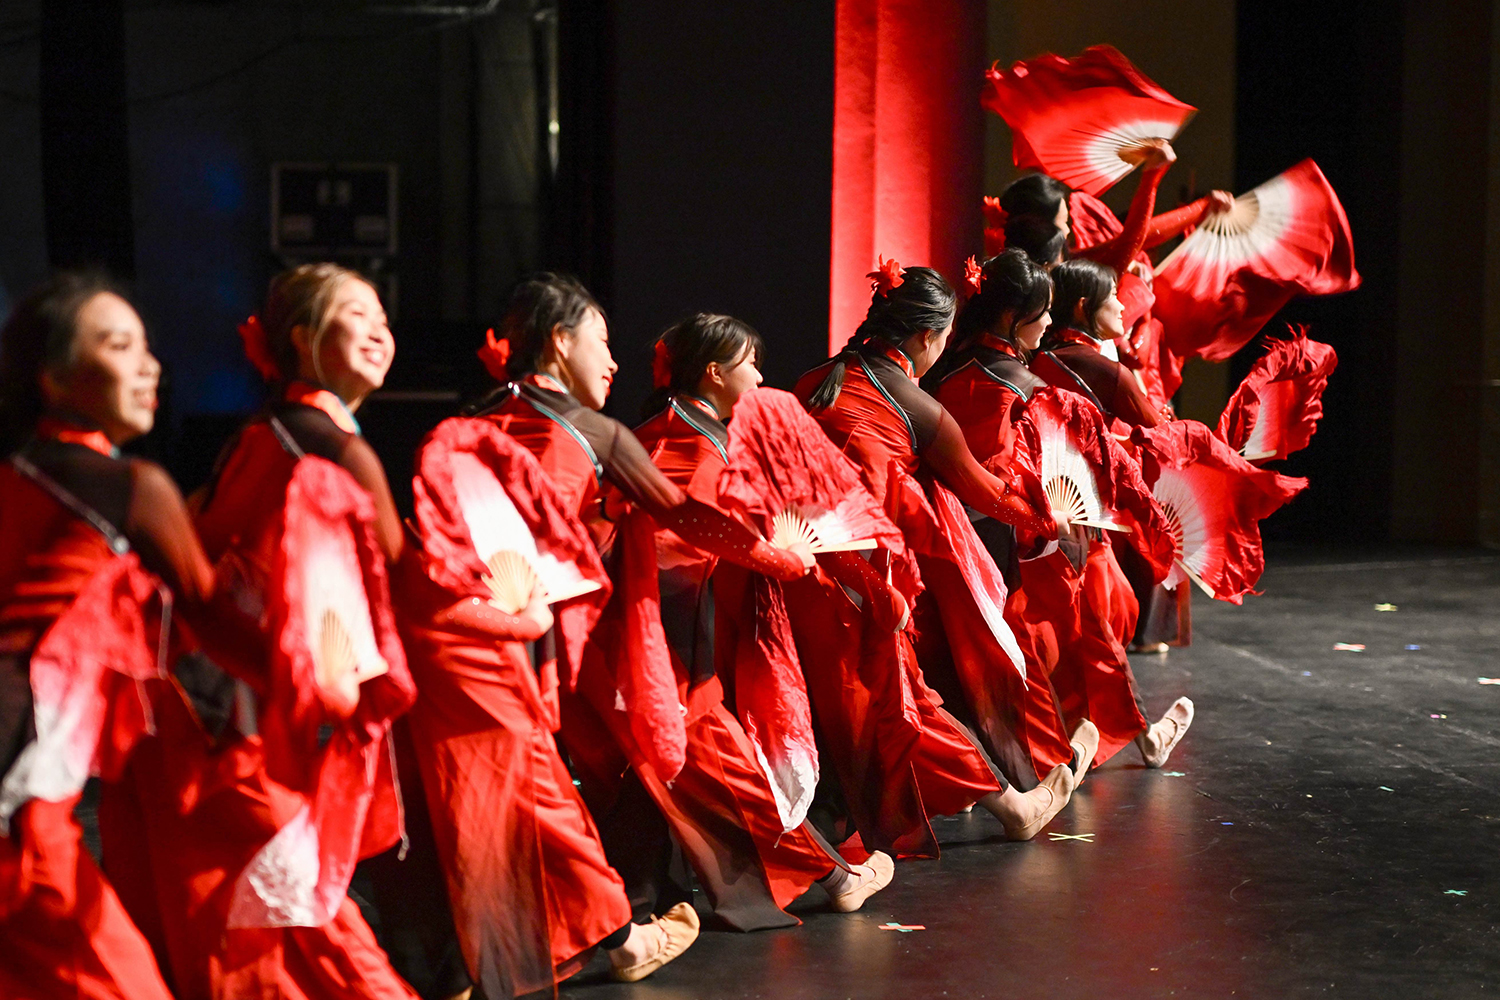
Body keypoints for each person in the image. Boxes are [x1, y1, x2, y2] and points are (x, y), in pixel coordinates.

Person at [102, 264, 423, 1000]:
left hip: (204, 694)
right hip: (245, 711)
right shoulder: (337, 449)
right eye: (357, 314)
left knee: (246, 913)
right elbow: (403, 581)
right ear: (305, 341)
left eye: (384, 316)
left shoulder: (262, 432)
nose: (380, 330)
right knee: (295, 912)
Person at [0, 273, 246, 999]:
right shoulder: (132, 487)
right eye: (119, 346)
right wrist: (335, 678)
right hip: (18, 796)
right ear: (56, 379)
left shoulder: (17, 475)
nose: (150, 366)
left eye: (147, 347)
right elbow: (212, 614)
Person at [795, 260, 1088, 842]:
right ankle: (1011, 807)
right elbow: (985, 491)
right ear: (928, 336)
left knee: (826, 699)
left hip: (800, 558)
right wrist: (1048, 519)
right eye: (944, 338)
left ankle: (843, 824)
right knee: (906, 700)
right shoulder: (920, 407)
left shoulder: (812, 381)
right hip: (861, 571)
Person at [631, 312, 893, 923]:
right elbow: (679, 536)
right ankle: (831, 874)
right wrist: (781, 559)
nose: (761, 373)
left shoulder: (688, 431)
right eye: (750, 361)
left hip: (678, 624)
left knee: (670, 769)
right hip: (670, 633)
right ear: (716, 372)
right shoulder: (682, 441)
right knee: (717, 755)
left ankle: (640, 907)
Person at [1031, 259, 1195, 766]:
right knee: (1100, 624)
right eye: (1113, 299)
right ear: (1084, 308)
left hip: (1037, 510)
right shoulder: (1108, 371)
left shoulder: (1033, 360)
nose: (1124, 305)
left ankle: (1070, 732)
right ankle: (1141, 736)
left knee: (1077, 625)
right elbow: (1164, 440)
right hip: (1081, 518)